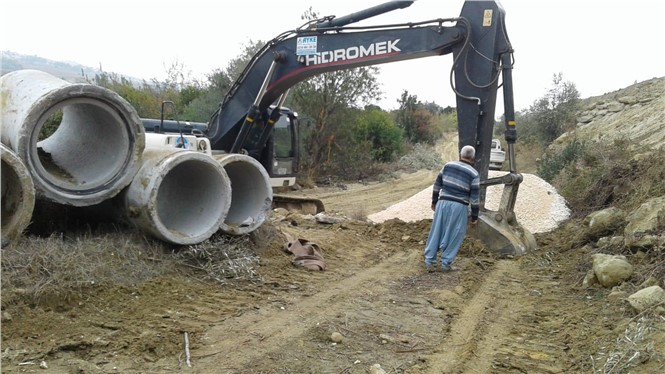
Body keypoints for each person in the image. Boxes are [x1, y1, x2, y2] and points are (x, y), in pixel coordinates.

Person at [424, 145, 480, 273]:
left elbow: (437, 185)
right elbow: (475, 199)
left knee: (436, 231)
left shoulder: (448, 166)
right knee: (456, 234)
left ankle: (429, 261)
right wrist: (474, 217)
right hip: (459, 206)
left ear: (460, 155)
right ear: (473, 158)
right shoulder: (474, 174)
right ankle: (445, 264)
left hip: (443, 202)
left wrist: (434, 201)